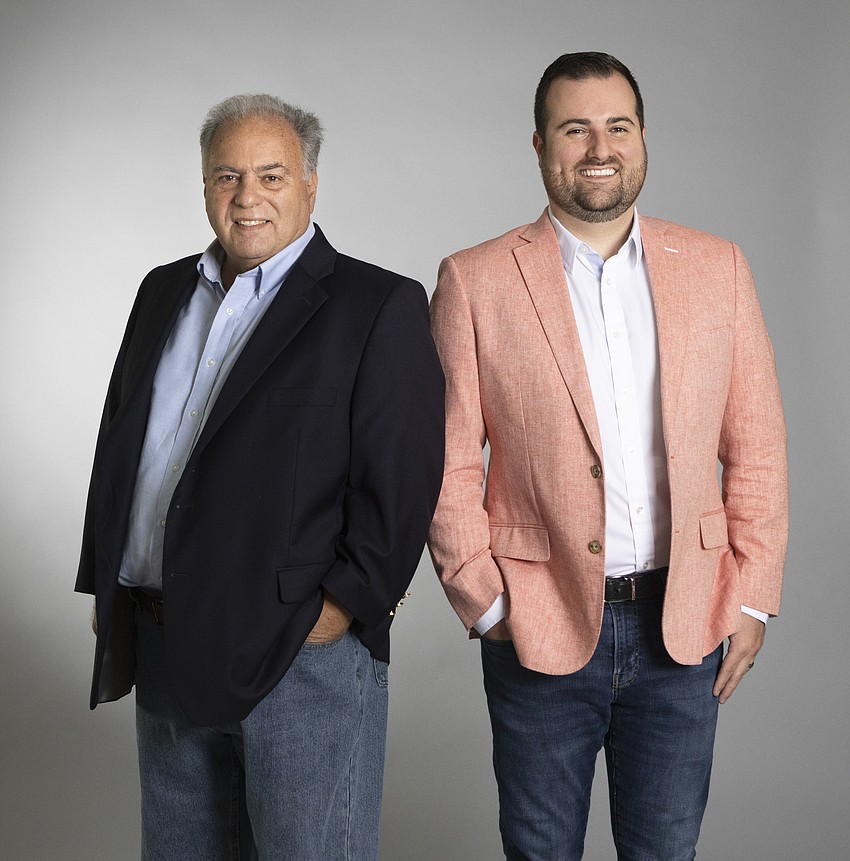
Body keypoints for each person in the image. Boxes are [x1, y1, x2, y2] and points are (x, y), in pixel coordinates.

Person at [428, 52, 787, 860]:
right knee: (539, 850)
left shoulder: (718, 268)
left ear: (643, 139)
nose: (599, 145)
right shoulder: (474, 281)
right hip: (537, 622)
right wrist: (487, 604)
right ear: (539, 145)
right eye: (574, 127)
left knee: (665, 851)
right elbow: (444, 462)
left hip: (684, 626)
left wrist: (754, 596)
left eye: (617, 126)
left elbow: (756, 442)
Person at [76, 93, 445, 861]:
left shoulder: (375, 304)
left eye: (271, 175)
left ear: (312, 184)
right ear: (204, 185)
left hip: (297, 659)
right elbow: (121, 444)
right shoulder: (161, 292)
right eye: (227, 176)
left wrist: (338, 610)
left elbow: (401, 483)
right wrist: (109, 582)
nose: (247, 198)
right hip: (165, 643)